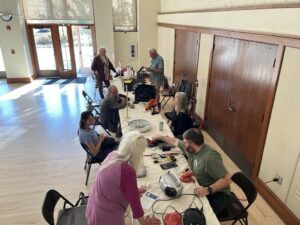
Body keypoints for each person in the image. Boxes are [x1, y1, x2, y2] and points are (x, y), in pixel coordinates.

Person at [86, 131, 160, 225]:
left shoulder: (113, 154)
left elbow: (115, 183)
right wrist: (145, 223)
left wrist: (133, 190)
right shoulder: (127, 171)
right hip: (106, 217)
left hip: (94, 207)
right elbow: (136, 207)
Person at [152, 128, 232, 215]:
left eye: (185, 142)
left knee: (197, 215)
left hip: (218, 194)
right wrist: (159, 137)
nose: (184, 143)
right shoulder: (191, 148)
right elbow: (175, 141)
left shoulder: (210, 158)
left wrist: (208, 190)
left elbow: (227, 180)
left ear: (193, 144)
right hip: (201, 185)